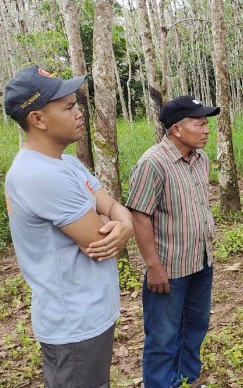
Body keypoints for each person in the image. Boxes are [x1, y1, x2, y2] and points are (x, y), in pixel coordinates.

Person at [3, 64, 134, 388]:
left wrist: (124, 223)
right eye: (69, 107)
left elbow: (115, 209)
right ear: (38, 119)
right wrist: (112, 221)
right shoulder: (39, 174)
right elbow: (100, 242)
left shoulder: (68, 164)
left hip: (90, 312)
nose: (79, 114)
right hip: (74, 322)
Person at [126, 95, 220, 388]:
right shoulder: (153, 163)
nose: (206, 129)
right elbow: (140, 216)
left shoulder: (200, 159)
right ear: (177, 129)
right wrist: (153, 266)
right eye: (199, 123)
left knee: (195, 327)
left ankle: (186, 379)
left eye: (207, 124)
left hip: (200, 261)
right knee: (163, 336)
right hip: (169, 268)